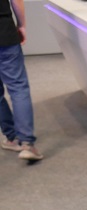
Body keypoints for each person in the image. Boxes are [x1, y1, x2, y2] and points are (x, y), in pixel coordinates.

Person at [0, 0, 43, 161]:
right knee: (18, 87)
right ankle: (26, 144)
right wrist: (22, 25)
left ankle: (12, 138)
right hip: (3, 31)